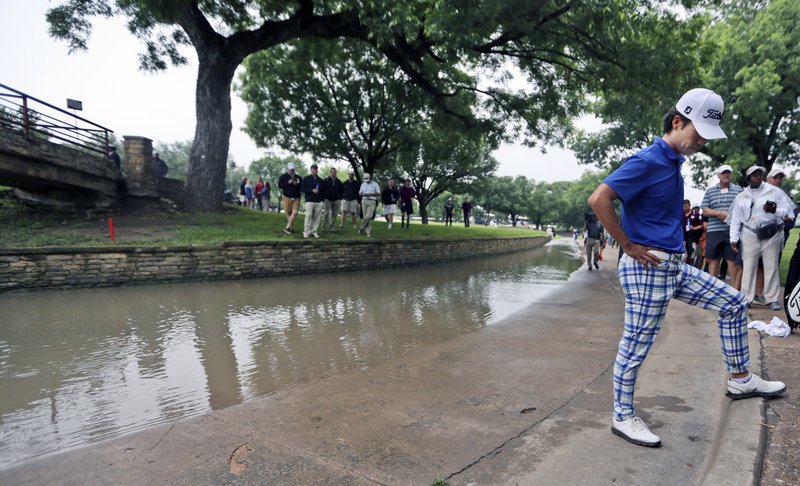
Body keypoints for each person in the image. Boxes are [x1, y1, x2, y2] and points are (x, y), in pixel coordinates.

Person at [588, 88, 786, 449]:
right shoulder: (648, 160)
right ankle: (622, 416)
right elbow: (599, 198)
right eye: (698, 135)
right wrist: (628, 246)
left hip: (675, 267)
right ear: (677, 122)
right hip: (648, 268)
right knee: (636, 345)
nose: (700, 143)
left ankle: (740, 379)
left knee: (734, 303)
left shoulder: (673, 162)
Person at [729, 165, 795, 310]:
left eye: (760, 174)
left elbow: (790, 214)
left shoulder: (775, 192)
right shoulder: (741, 197)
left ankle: (772, 298)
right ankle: (747, 298)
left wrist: (775, 210)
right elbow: (736, 218)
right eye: (754, 175)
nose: (758, 177)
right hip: (749, 234)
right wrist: (733, 238)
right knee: (749, 267)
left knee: (771, 267)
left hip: (771, 234)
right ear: (748, 178)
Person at [701, 164, 742, 282]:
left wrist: (731, 215)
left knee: (733, 261)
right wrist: (718, 213)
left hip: (732, 231)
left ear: (731, 175)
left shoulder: (739, 190)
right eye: (723, 173)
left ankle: (735, 293)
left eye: (728, 172)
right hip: (714, 231)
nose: (726, 175)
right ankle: (712, 289)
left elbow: (744, 209)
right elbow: (705, 210)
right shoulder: (710, 191)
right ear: (718, 175)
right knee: (713, 260)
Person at [301, 163, 325, 239]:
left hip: (318, 201)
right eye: (313, 168)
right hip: (309, 200)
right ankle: (306, 231)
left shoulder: (320, 180)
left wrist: (321, 198)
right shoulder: (306, 179)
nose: (315, 170)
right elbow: (303, 189)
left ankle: (314, 231)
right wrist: (312, 190)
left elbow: (324, 191)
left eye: (316, 168)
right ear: (311, 169)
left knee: (317, 217)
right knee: (308, 216)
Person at [278, 162, 302, 235]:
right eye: (290, 169)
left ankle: (287, 227)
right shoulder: (283, 177)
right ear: (288, 169)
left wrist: (296, 184)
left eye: (293, 169)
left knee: (294, 212)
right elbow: (280, 185)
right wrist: (288, 183)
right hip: (287, 196)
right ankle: (290, 228)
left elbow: (302, 187)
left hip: (296, 197)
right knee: (288, 212)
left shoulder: (298, 177)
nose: (292, 171)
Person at [322, 168, 343, 232]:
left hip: (336, 200)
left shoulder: (339, 181)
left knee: (334, 215)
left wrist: (339, 198)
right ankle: (324, 227)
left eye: (335, 172)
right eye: (332, 172)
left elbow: (341, 191)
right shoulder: (326, 180)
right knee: (326, 213)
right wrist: (324, 197)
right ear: (330, 172)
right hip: (327, 199)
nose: (334, 173)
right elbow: (323, 189)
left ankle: (332, 227)